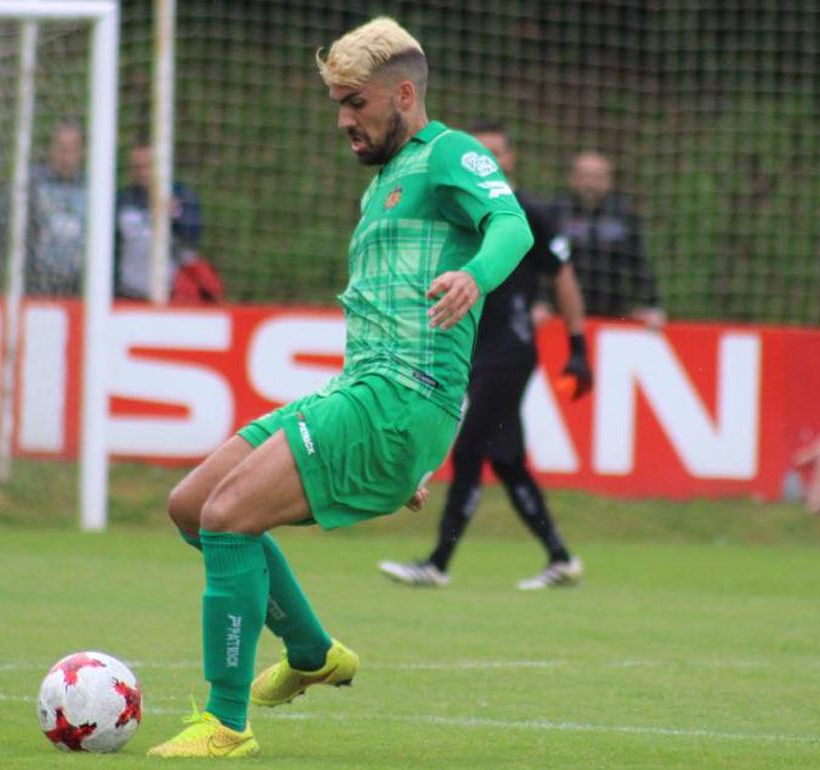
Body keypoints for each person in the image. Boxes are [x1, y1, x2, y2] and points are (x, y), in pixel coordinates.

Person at [147, 17, 534, 758]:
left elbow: (510, 223)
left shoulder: (448, 153)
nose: (343, 120)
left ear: (405, 94)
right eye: (337, 104)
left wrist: (473, 275)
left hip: (400, 397)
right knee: (193, 508)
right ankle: (313, 653)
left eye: (355, 102)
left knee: (230, 519)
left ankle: (225, 726)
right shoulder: (386, 182)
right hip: (369, 394)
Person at [377, 121, 591, 591]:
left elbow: (563, 277)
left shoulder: (526, 213)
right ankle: (561, 558)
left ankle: (437, 563)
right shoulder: (457, 210)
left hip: (509, 351)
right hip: (473, 349)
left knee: (471, 449)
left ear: (510, 159)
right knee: (508, 458)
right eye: (481, 152)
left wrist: (578, 346)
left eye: (497, 151)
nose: (490, 159)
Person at [548, 150, 665, 328]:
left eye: (597, 177)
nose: (590, 184)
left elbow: (639, 264)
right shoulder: (557, 212)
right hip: (562, 315)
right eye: (585, 176)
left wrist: (652, 305)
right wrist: (540, 301)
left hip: (612, 314)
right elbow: (541, 262)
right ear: (573, 178)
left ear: (608, 180)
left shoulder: (623, 214)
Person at [0, 121, 86, 297]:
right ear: (51, 150)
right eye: (61, 149)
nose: (66, 157)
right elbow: (2, 230)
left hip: (78, 287)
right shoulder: (30, 184)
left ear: (81, 152)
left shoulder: (93, 189)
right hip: (37, 285)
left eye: (72, 149)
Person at [115, 142, 207, 301]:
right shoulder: (123, 200)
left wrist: (176, 214)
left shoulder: (182, 197)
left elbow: (194, 238)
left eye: (147, 166)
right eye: (137, 167)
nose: (142, 172)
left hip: (171, 294)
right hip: (128, 293)